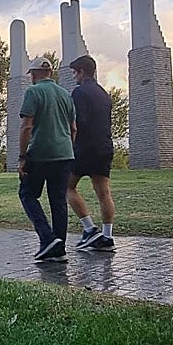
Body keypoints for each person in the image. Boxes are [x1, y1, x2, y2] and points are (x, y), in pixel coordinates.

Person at [17, 56, 76, 262]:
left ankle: (47, 238)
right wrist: (67, 146)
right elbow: (73, 129)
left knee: (27, 194)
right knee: (58, 201)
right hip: (64, 154)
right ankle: (59, 248)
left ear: (34, 74)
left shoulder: (33, 92)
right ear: (51, 72)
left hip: (40, 153)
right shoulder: (65, 95)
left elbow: (26, 127)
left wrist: (23, 157)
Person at [67, 55, 116, 251]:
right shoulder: (104, 94)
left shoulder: (79, 93)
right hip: (104, 146)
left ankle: (89, 229)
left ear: (82, 72)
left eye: (74, 72)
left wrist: (71, 143)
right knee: (104, 192)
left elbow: (78, 123)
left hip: (85, 147)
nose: (74, 77)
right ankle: (107, 236)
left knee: (67, 187)